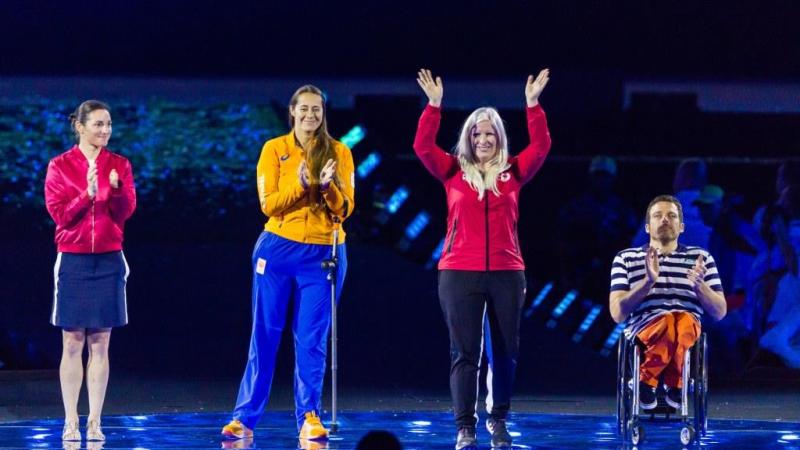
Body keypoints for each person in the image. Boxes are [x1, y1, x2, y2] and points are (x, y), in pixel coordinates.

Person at [414, 68, 551, 449]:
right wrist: (434, 107)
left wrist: (533, 106)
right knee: (465, 352)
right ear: (468, 138)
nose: (484, 139)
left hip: (507, 272)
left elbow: (540, 147)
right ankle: (465, 427)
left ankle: (500, 419)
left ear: (500, 139)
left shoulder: (514, 173)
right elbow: (423, 148)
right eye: (478, 133)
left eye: (491, 133)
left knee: (506, 351)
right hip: (458, 272)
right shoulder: (452, 171)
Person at [221, 85, 355, 442]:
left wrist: (327, 187)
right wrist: (301, 186)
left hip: (323, 254)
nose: (311, 115)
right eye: (305, 109)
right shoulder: (274, 150)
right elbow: (269, 205)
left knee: (311, 339)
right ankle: (244, 418)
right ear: (292, 112)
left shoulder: (339, 152)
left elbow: (346, 209)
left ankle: (309, 415)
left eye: (317, 110)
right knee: (264, 335)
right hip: (278, 251)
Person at [44, 100, 137, 442]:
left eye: (109, 124)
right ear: (80, 127)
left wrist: (114, 191)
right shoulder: (60, 166)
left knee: (100, 341)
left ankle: (95, 421)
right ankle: (70, 420)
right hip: (74, 258)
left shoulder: (120, 165)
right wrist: (88, 193)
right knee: (72, 342)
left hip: (110, 259)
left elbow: (126, 211)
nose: (105, 130)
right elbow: (60, 215)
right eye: (98, 124)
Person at [610, 195, 726, 411]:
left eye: (671, 216)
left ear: (681, 227)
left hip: (688, 328)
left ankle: (647, 382)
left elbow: (720, 312)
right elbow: (617, 313)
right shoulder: (626, 258)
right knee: (668, 319)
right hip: (644, 329)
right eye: (658, 216)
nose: (665, 220)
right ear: (647, 226)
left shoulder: (701, 258)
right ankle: (673, 384)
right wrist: (647, 282)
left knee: (680, 320)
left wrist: (700, 285)